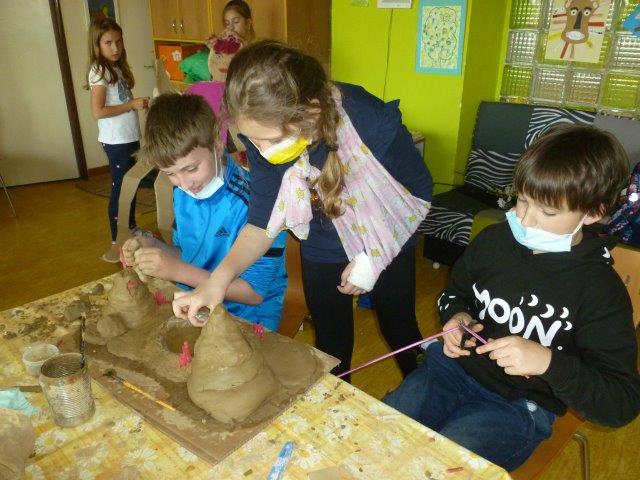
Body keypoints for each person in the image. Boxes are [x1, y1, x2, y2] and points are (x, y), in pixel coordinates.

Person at [384, 124, 640, 471]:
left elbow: (621, 402)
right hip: (450, 371)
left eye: (548, 212)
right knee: (383, 437)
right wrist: (455, 316)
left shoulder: (599, 291)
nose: (524, 219)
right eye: (522, 200)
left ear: (593, 212)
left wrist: (547, 362)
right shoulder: (494, 241)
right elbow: (455, 293)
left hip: (520, 404)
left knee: (439, 468)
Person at [172, 41, 434, 379]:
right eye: (254, 140)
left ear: (310, 113)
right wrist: (216, 283)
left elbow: (418, 195)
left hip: (389, 233)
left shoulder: (368, 120)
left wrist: (374, 257)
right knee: (331, 343)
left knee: (400, 328)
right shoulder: (259, 132)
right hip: (324, 237)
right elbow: (261, 225)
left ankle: (424, 395)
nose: (262, 151)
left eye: (270, 140)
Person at [122, 93, 288, 331]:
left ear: (217, 146)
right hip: (196, 305)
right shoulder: (184, 193)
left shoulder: (256, 203)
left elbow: (254, 294)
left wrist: (177, 271)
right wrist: (153, 247)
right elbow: (189, 255)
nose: (184, 183)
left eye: (191, 168)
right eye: (170, 174)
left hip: (248, 319)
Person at [85, 18, 149, 261]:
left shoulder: (116, 68)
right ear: (97, 45)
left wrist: (136, 104)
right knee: (121, 188)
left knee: (129, 186)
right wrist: (131, 105)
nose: (115, 48)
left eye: (119, 42)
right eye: (108, 43)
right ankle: (117, 240)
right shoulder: (99, 71)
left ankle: (129, 229)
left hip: (128, 138)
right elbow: (98, 111)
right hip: (116, 141)